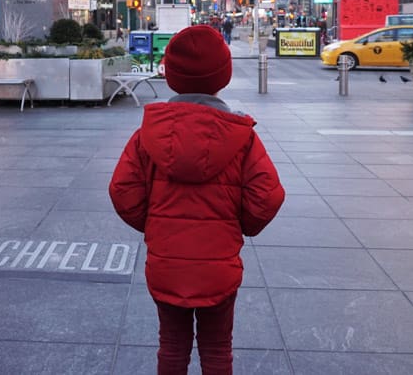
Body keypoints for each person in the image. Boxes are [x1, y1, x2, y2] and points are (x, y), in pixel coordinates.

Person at [109, 25, 285, 374]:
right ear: (223, 76)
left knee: (171, 346)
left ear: (171, 77)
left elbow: (122, 189)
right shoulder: (241, 137)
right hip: (219, 267)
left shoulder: (147, 135)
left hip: (166, 266)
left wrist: (152, 224)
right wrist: (242, 225)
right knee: (218, 349)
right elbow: (267, 194)